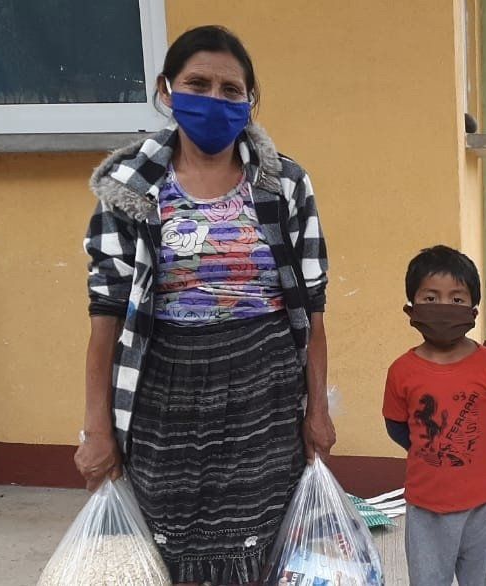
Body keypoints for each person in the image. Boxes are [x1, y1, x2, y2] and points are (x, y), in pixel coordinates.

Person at [76, 25, 335, 585]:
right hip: (164, 399)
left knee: (264, 545)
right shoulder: (130, 187)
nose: (214, 99)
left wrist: (317, 409)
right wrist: (97, 428)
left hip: (263, 398)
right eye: (198, 83)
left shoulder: (284, 184)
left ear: (249, 101)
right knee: (168, 548)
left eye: (230, 89)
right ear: (166, 90)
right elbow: (106, 320)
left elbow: (313, 309)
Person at [383, 246, 486, 586]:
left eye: (456, 300)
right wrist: (429, 451)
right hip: (426, 508)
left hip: (483, 505)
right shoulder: (402, 371)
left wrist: (483, 452)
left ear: (473, 310)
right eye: (430, 298)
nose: (444, 308)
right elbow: (397, 426)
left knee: (482, 579)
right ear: (410, 308)